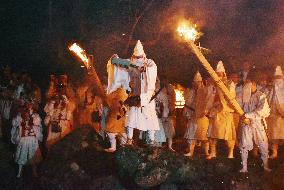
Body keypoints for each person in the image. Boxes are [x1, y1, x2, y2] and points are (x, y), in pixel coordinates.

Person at [107, 40, 159, 145]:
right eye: (136, 58)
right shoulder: (129, 62)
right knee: (131, 118)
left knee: (150, 118)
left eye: (140, 57)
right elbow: (114, 61)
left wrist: (146, 69)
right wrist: (115, 59)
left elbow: (153, 68)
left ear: (143, 56)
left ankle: (151, 141)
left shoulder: (149, 62)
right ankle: (129, 139)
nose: (138, 60)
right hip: (134, 96)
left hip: (147, 97)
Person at [238, 77, 271, 173]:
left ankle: (265, 166)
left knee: (263, 144)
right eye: (246, 85)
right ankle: (244, 167)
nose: (247, 87)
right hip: (246, 123)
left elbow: (262, 110)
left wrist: (248, 115)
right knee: (244, 144)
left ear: (254, 85)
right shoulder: (243, 96)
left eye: (249, 85)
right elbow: (238, 106)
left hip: (258, 123)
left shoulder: (261, 95)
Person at [207, 61, 236, 159]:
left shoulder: (229, 83)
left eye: (220, 74)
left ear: (224, 74)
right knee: (212, 134)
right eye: (217, 74)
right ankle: (213, 152)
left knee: (228, 134)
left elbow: (232, 97)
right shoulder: (212, 85)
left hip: (225, 112)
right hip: (215, 112)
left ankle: (230, 153)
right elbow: (209, 98)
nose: (218, 75)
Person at [11, 103, 42, 178]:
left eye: (31, 105)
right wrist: (19, 117)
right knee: (22, 154)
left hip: (32, 140)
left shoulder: (36, 116)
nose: (29, 106)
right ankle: (19, 172)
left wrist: (33, 124)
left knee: (33, 155)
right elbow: (14, 124)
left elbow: (38, 126)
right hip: (23, 140)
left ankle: (34, 171)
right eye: (28, 105)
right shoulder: (20, 116)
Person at [184, 71, 209, 157]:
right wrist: (188, 113)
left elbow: (207, 102)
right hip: (193, 116)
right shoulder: (191, 92)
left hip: (202, 116)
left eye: (196, 83)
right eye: (194, 83)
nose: (194, 84)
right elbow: (189, 103)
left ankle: (207, 152)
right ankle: (191, 152)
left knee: (204, 137)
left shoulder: (204, 91)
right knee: (191, 135)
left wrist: (205, 111)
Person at [267, 66, 284, 159]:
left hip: (282, 116)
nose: (277, 81)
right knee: (274, 136)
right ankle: (274, 152)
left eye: (279, 78)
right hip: (273, 117)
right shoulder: (271, 90)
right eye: (276, 78)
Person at [104, 88, 128, 152]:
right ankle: (119, 147)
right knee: (115, 133)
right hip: (114, 119)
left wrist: (120, 116)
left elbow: (124, 111)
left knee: (114, 133)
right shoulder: (113, 98)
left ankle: (120, 147)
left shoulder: (119, 99)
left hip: (116, 119)